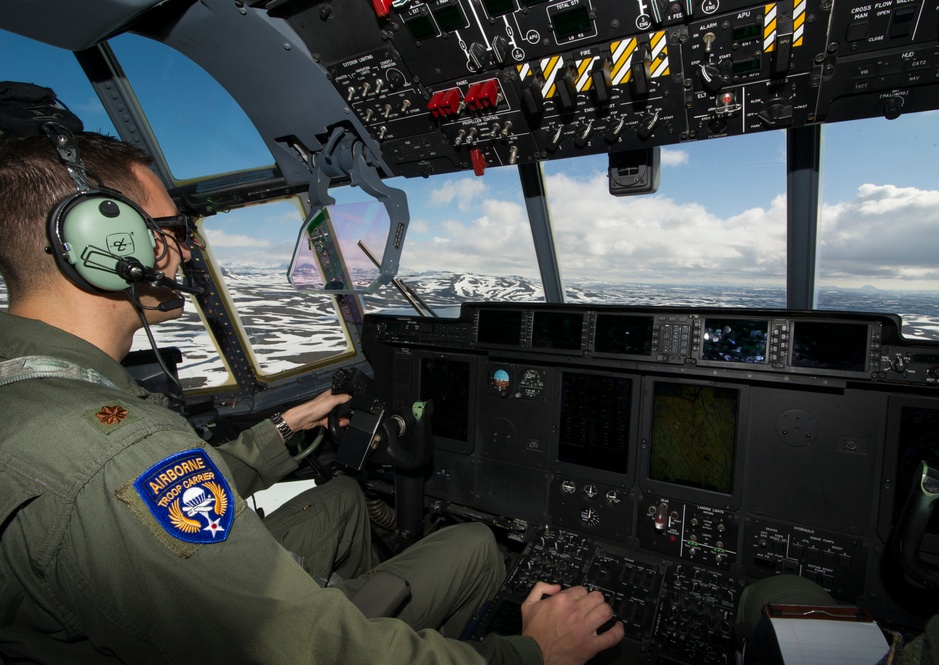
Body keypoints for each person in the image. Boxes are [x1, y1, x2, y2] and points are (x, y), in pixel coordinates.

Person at [0, 113, 625, 661]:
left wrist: (280, 432)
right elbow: (302, 650)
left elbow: (161, 498)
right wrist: (530, 653)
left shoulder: (40, 390)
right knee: (474, 542)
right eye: (171, 231)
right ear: (109, 245)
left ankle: (357, 600)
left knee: (346, 499)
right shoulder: (116, 446)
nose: (187, 254)